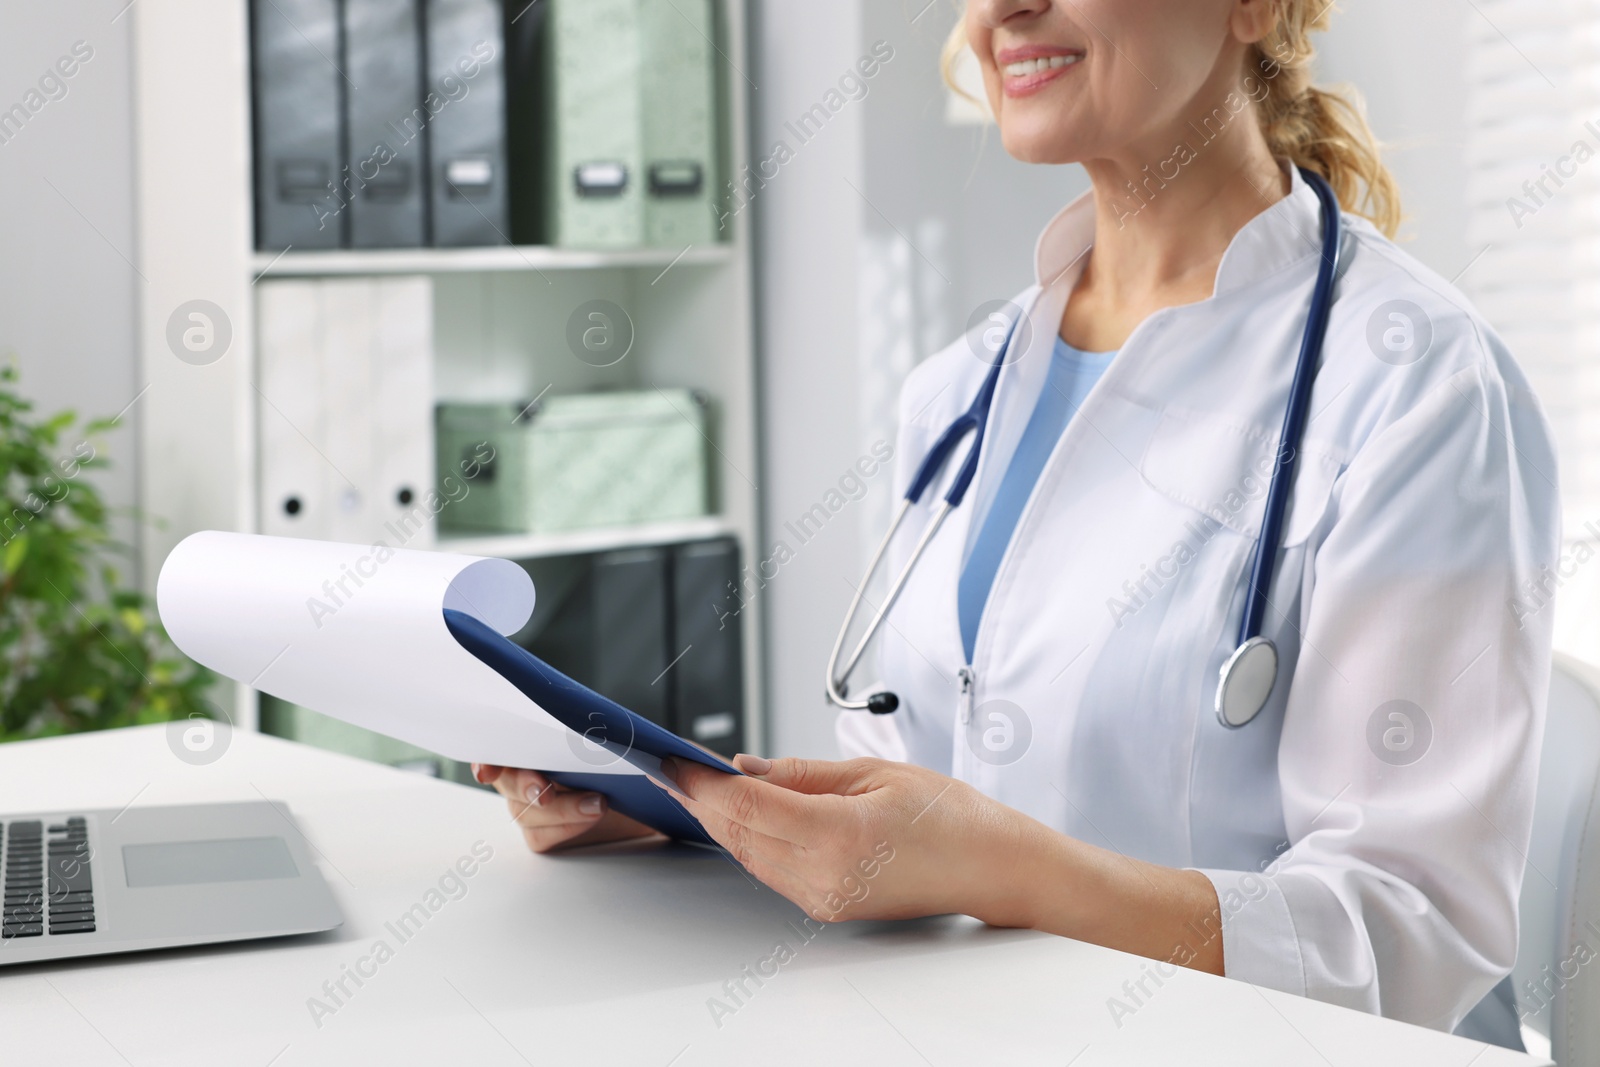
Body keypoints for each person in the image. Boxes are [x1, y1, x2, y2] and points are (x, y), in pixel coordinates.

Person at [477, 0, 1559, 1041]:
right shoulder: (960, 389)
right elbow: (908, 797)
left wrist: (1006, 871)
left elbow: (1415, 934)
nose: (1002, 6)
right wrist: (691, 823)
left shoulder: (1418, 387)